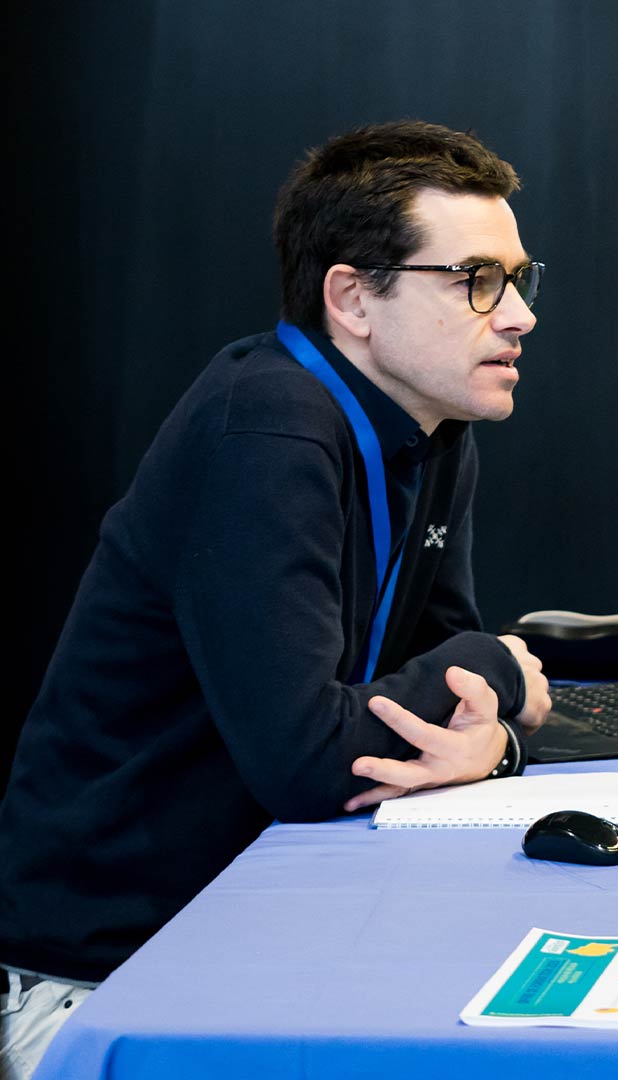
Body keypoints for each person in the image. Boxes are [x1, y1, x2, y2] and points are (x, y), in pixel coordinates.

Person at [0, 121, 554, 1077]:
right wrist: (503, 668)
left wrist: (494, 737)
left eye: (517, 278)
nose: (517, 316)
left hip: (259, 921)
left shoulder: (435, 426)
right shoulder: (266, 428)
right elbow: (310, 761)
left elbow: (442, 671)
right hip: (104, 983)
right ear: (353, 299)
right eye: (475, 281)